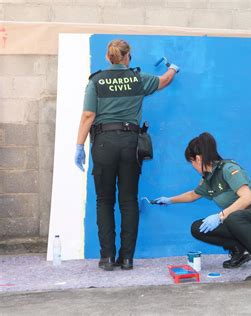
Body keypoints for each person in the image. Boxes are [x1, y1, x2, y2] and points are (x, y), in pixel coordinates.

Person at [74, 39, 179, 271]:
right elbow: (164, 81)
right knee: (129, 200)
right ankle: (127, 258)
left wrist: (79, 145)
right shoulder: (137, 78)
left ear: (108, 57)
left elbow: (88, 115)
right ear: (127, 56)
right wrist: (173, 68)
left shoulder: (96, 80)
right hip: (131, 144)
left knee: (104, 201)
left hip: (103, 144)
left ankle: (107, 258)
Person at [153, 132, 251, 290]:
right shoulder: (208, 178)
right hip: (240, 222)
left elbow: (247, 197)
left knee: (232, 218)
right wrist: (168, 200)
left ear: (198, 158)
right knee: (198, 227)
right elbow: (192, 195)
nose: (193, 167)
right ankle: (239, 249)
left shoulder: (228, 168)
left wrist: (220, 215)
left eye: (191, 163)